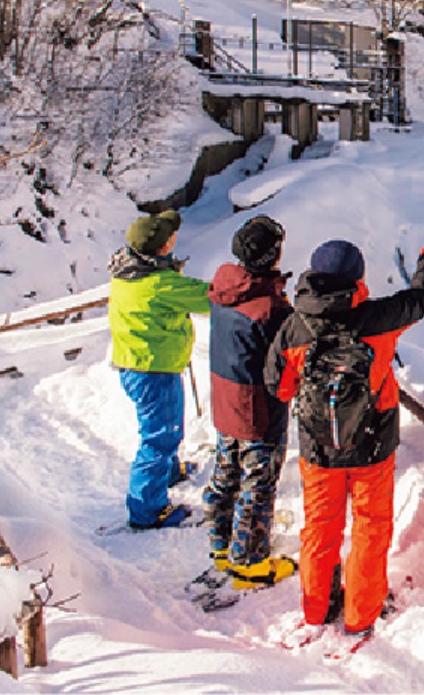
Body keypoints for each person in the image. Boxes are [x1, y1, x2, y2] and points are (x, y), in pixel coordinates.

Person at [265, 236, 424, 646]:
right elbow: (420, 299)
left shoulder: (294, 326)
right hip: (371, 445)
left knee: (320, 528)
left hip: (318, 449)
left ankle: (316, 611)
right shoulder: (378, 318)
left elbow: (278, 386)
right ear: (357, 278)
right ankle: (360, 615)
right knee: (370, 527)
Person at [203, 215, 297, 589]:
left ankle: (221, 544)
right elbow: (292, 353)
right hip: (258, 408)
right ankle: (250, 563)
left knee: (227, 471)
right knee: (259, 482)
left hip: (225, 398)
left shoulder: (224, 288)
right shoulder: (270, 309)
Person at [108, 209, 209, 530]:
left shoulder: (128, 271)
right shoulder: (160, 284)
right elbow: (210, 298)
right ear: (165, 246)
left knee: (165, 427)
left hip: (136, 363)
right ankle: (147, 511)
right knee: (159, 438)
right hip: (154, 371)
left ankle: (168, 472)